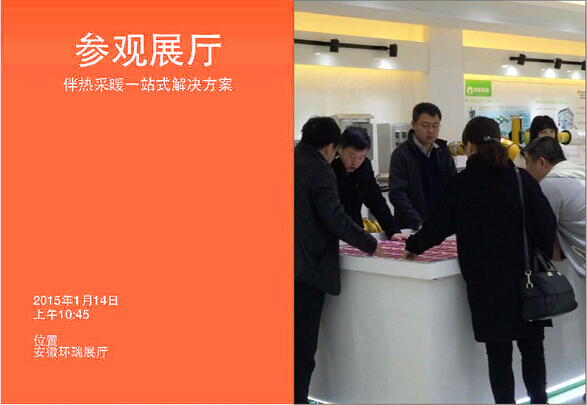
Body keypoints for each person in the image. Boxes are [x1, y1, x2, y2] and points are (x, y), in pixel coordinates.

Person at [403, 117, 557, 404]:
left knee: (498, 355)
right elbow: (547, 225)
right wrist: (537, 257)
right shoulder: (520, 179)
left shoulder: (461, 184)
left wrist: (413, 246)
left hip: (485, 285)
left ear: (469, 146)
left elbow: (437, 226)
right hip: (526, 281)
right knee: (533, 350)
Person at [294, 116, 385, 404]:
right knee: (302, 348)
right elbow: (334, 217)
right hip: (307, 268)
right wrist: (370, 244)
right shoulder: (319, 169)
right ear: (332, 147)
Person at [388, 102, 457, 230]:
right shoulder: (401, 155)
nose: (431, 130)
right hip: (411, 227)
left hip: (441, 225)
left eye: (435, 125)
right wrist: (418, 224)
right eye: (425, 125)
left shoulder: (442, 152)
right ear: (413, 124)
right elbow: (397, 194)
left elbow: (453, 188)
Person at [524, 136, 585, 279]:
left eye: (527, 162)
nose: (525, 169)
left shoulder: (550, 185)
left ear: (541, 162)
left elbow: (539, 231)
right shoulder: (578, 174)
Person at [331, 126, 406, 240]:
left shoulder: (364, 167)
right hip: (331, 233)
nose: (355, 162)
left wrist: (392, 230)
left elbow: (376, 200)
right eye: (352, 156)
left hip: (355, 232)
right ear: (339, 148)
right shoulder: (329, 167)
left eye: (361, 157)